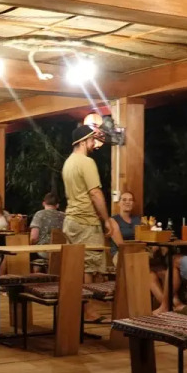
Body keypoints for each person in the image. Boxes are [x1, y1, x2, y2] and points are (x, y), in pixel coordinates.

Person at [62, 125, 123, 323]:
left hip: (70, 220)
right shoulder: (86, 162)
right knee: (88, 267)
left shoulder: (68, 163)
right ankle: (88, 311)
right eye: (91, 140)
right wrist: (106, 220)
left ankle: (75, 308)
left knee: (75, 267)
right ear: (83, 141)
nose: (94, 144)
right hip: (85, 221)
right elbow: (95, 193)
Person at [109, 191, 166, 308]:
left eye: (130, 200)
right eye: (124, 200)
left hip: (141, 253)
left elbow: (150, 235)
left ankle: (173, 304)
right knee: (149, 274)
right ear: (119, 203)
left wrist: (155, 244)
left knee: (164, 272)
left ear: (134, 203)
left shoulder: (139, 220)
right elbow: (121, 245)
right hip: (122, 255)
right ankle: (170, 306)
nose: (127, 202)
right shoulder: (113, 220)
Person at [29, 192, 66, 259]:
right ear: (57, 205)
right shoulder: (64, 216)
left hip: (43, 251)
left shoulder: (39, 214)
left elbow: (34, 237)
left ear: (43, 203)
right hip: (61, 252)